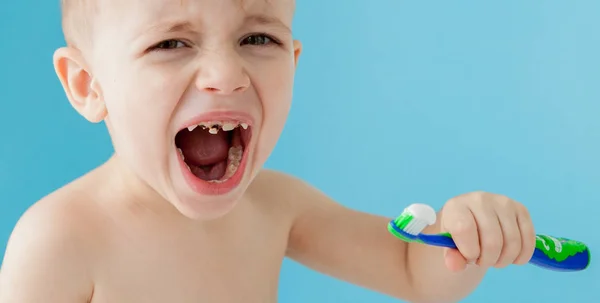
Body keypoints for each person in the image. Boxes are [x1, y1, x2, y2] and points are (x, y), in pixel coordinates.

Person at [0, 0, 537, 302]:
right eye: (170, 43)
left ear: (294, 61)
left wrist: (468, 234)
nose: (227, 75)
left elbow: (412, 271)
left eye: (259, 39)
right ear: (88, 85)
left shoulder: (276, 206)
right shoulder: (60, 241)